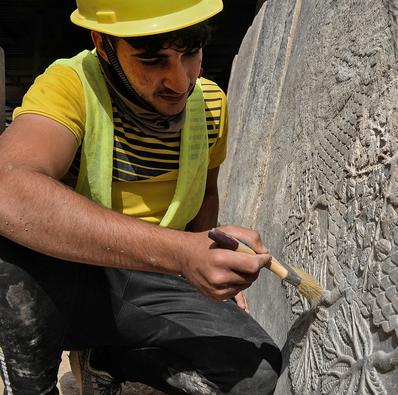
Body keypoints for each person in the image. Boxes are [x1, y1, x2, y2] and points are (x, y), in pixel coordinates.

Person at [0, 1, 282, 394]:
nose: (179, 81)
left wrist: (213, 261)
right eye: (152, 61)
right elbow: (6, 186)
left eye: (190, 54)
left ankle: (111, 358)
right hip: (75, 278)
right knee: (9, 253)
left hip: (156, 283)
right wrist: (181, 252)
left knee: (256, 369)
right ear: (103, 44)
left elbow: (205, 195)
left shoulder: (211, 105)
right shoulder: (70, 87)